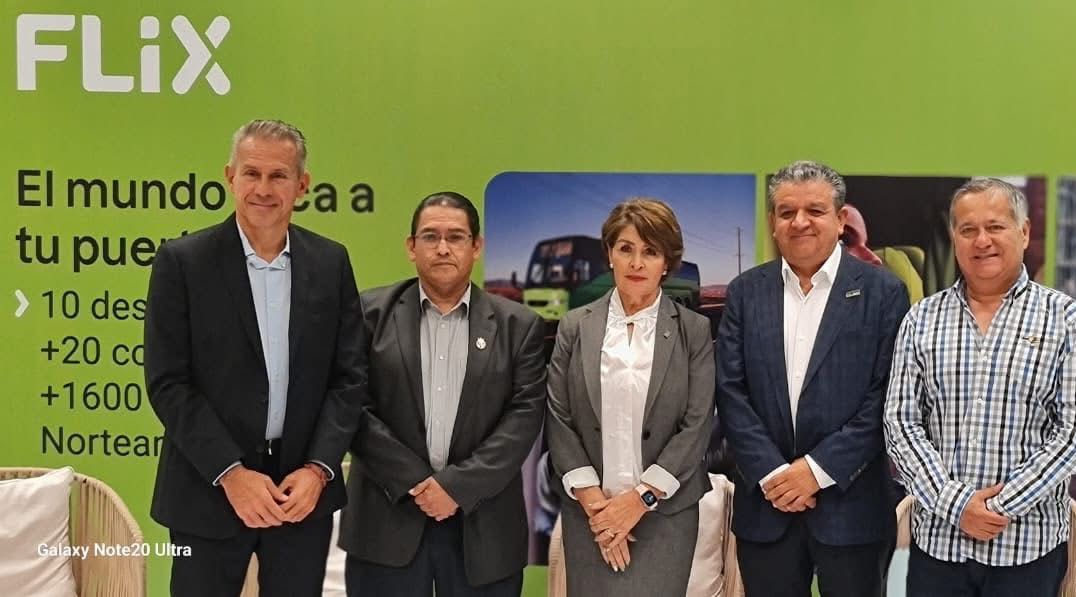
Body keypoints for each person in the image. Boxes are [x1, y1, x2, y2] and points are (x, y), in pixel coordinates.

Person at [144, 119, 366, 596]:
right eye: (251, 173)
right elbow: (168, 383)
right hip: (207, 491)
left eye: (278, 175)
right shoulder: (183, 262)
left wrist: (318, 470)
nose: (263, 189)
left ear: (302, 185)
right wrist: (230, 473)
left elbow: (349, 378)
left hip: (300, 496)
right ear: (230, 177)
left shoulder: (331, 262)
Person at [884, 177, 1076, 597]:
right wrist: (956, 505)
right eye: (968, 230)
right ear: (954, 239)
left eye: (995, 226)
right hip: (938, 547)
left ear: (1024, 232)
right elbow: (901, 424)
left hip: (1028, 548)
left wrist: (1000, 507)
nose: (981, 240)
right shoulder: (921, 319)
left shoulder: (1066, 319)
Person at [716, 160, 910, 596]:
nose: (799, 221)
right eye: (787, 212)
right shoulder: (745, 292)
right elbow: (730, 392)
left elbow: (886, 397)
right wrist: (773, 474)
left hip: (852, 509)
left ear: (840, 220)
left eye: (815, 210)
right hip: (765, 508)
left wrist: (816, 471)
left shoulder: (884, 292)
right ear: (773, 222)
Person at [340, 192, 547, 596]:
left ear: (476, 246)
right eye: (430, 236)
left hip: (483, 531)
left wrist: (456, 487)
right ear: (411, 247)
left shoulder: (519, 325)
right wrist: (417, 483)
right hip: (386, 523)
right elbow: (351, 405)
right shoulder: (368, 314)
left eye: (455, 237)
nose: (443, 248)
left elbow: (524, 418)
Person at [545, 198, 715, 596]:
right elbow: (558, 417)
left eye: (650, 252)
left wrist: (638, 501)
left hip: (665, 516)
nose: (637, 263)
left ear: (666, 263)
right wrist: (598, 509)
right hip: (590, 516)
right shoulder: (574, 326)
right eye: (626, 249)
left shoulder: (693, 331)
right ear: (610, 254)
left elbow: (696, 424)